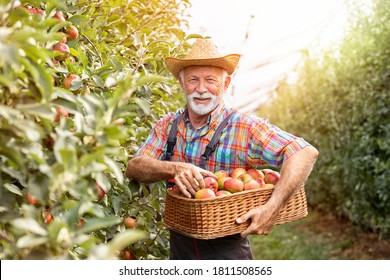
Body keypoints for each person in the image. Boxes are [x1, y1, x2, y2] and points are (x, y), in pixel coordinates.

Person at [125, 38, 319, 260]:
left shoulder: (243, 126)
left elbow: (304, 151)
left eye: (210, 80)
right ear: (181, 83)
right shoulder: (167, 126)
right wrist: (174, 169)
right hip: (179, 250)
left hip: (228, 254)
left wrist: (272, 208)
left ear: (225, 85)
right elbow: (134, 167)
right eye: (193, 80)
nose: (200, 89)